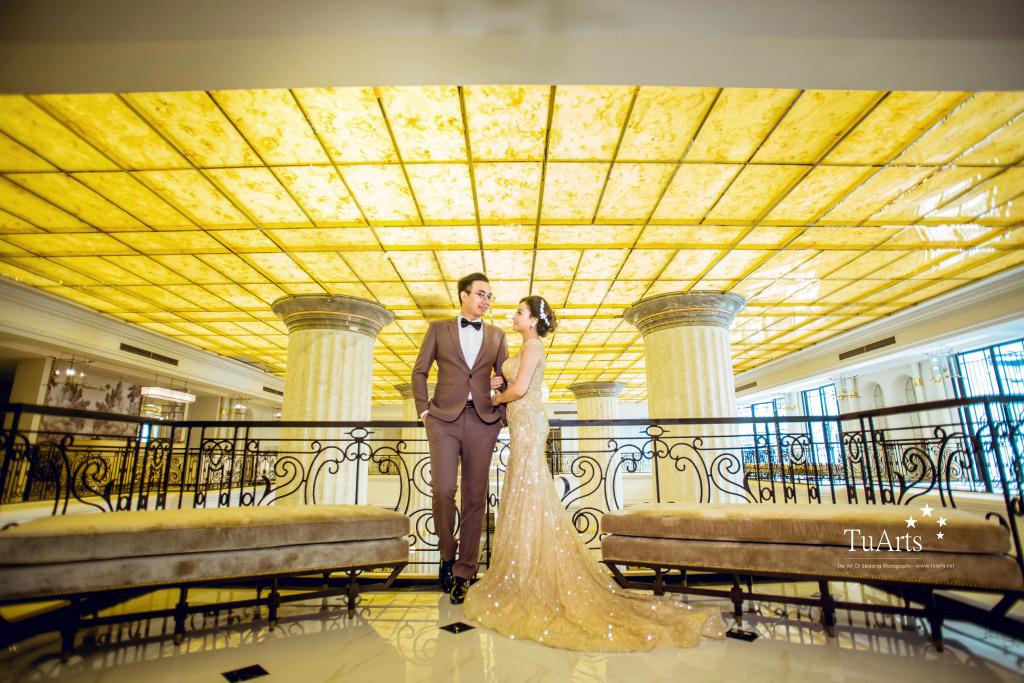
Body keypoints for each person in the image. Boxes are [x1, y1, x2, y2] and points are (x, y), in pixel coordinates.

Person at [462, 295, 725, 651]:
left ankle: (533, 577)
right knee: (526, 491)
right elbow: (515, 383)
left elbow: (521, 389)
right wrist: (499, 383)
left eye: (519, 313)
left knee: (530, 489)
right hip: (521, 423)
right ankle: (525, 571)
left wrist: (494, 399)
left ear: (533, 321)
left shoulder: (534, 346)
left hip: (528, 423)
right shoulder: (525, 346)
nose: (514, 316)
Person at [412, 273, 509, 605]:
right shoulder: (438, 329)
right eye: (481, 294)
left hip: (483, 421)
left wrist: (501, 414)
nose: (486, 300)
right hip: (443, 420)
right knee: (442, 489)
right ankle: (447, 553)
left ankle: (465, 572)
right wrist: (424, 412)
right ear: (464, 295)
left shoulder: (497, 335)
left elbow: (505, 378)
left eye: (490, 296)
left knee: (474, 497)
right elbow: (419, 372)